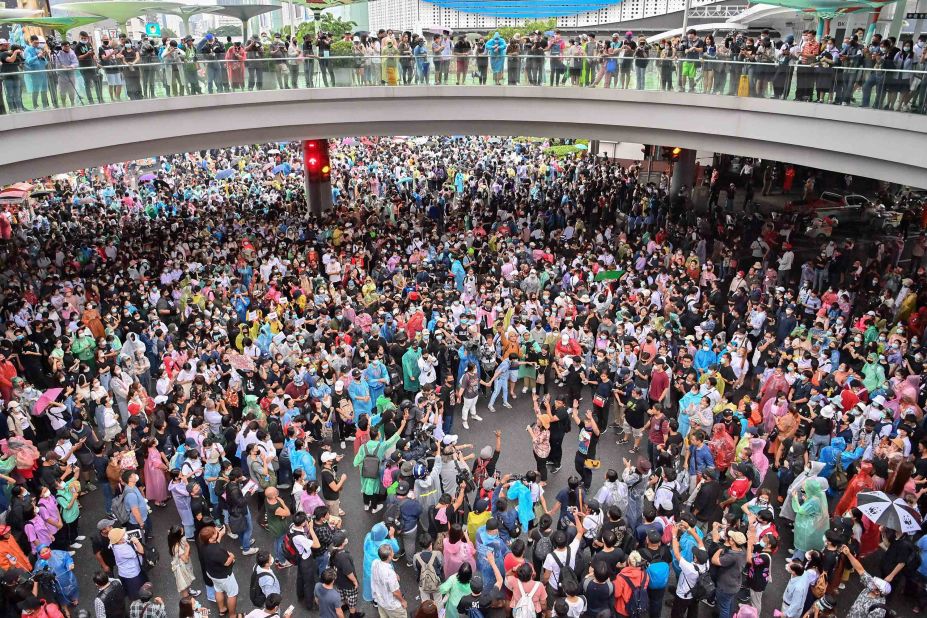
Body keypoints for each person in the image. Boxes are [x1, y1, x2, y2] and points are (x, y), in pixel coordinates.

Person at [371, 544, 406, 618]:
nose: (393, 553)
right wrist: (403, 601)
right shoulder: (390, 574)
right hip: (391, 604)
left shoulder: (375, 562)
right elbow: (395, 592)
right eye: (392, 552)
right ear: (389, 556)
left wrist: (394, 573)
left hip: (380, 599)